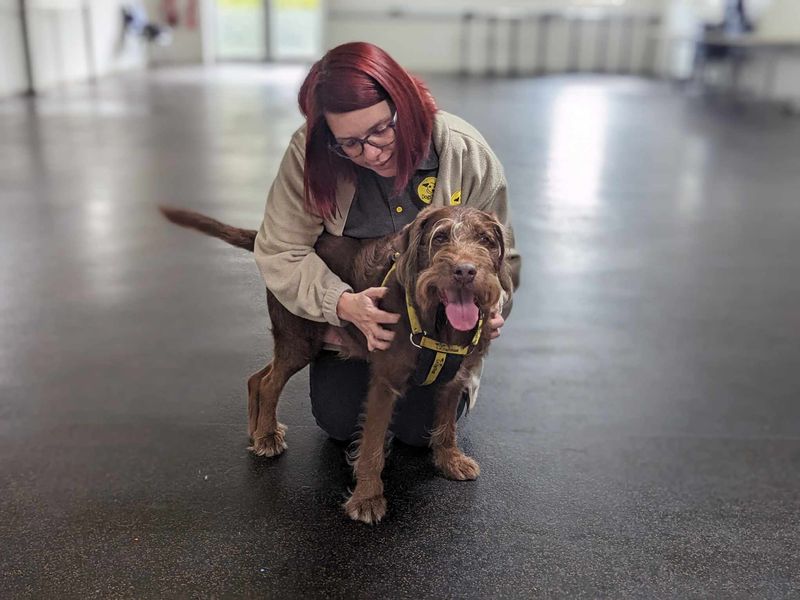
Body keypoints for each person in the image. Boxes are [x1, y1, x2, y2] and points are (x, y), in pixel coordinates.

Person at [254, 42, 521, 447]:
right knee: (341, 424)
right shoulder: (310, 154)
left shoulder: (466, 152)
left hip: (436, 331)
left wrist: (493, 305)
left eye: (381, 128)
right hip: (353, 329)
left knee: (418, 433)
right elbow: (280, 251)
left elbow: (505, 258)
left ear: (406, 102)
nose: (373, 151)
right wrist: (341, 304)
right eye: (351, 143)